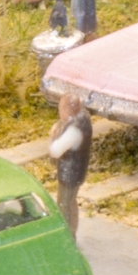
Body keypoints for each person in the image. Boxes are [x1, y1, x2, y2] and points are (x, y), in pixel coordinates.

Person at [50, 91, 94, 237]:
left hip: (70, 174)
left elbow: (55, 150)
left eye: (60, 109)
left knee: (64, 205)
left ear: (66, 110)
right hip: (79, 171)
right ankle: (72, 231)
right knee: (71, 202)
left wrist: (53, 136)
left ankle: (67, 237)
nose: (59, 112)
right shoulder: (83, 118)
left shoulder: (74, 131)